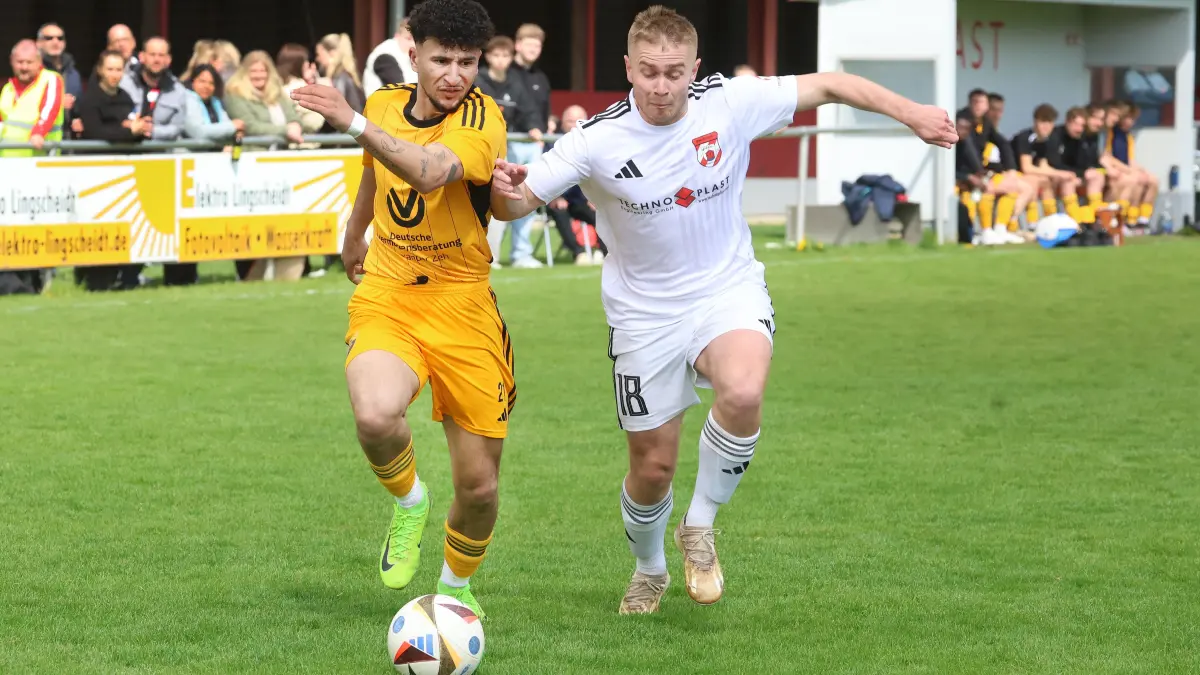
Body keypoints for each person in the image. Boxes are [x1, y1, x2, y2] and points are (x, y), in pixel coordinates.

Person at [488, 5, 955, 614]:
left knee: (742, 389)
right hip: (642, 315)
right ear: (627, 67)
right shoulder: (596, 139)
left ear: (695, 68)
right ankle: (649, 568)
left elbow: (834, 84)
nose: (661, 86)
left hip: (724, 289)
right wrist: (503, 192)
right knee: (653, 469)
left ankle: (700, 525)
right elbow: (516, 204)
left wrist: (912, 113)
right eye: (648, 72)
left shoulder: (731, 102)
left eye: (674, 73)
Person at [290, 0, 508, 619]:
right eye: (442, 59)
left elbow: (434, 171)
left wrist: (351, 120)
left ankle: (455, 589)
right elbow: (375, 172)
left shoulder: (482, 117)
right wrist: (355, 233)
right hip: (390, 291)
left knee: (480, 487)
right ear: (413, 54)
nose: (455, 75)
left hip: (463, 303)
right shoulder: (385, 103)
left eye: (467, 62)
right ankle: (410, 503)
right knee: (376, 414)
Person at [1010, 104, 1083, 224]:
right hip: (1013, 173)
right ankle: (1029, 223)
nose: (1046, 127)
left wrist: (1061, 174)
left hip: (1028, 175)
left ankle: (1052, 219)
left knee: (1048, 180)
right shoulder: (1025, 137)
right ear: (1035, 122)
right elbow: (1026, 167)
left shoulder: (1045, 140)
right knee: (1035, 180)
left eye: (1050, 123)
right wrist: (1059, 173)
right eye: (1043, 122)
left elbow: (1043, 166)